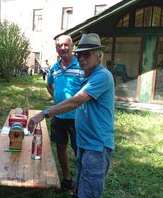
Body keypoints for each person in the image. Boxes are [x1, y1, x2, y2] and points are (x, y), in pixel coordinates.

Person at [28, 33, 115, 198]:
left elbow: (76, 101)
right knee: (82, 187)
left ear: (99, 55)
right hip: (87, 142)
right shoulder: (89, 75)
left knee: (89, 192)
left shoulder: (102, 76)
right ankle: (70, 184)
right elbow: (52, 86)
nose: (82, 58)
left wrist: (44, 113)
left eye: (86, 54)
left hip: (96, 145)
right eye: (79, 54)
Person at [46, 35, 84, 193]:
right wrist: (57, 97)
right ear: (56, 48)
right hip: (58, 117)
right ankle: (67, 180)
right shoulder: (54, 68)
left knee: (80, 152)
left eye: (66, 45)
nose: (62, 48)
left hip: (77, 117)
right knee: (61, 147)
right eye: (59, 46)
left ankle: (82, 184)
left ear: (72, 46)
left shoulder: (81, 66)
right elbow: (48, 85)